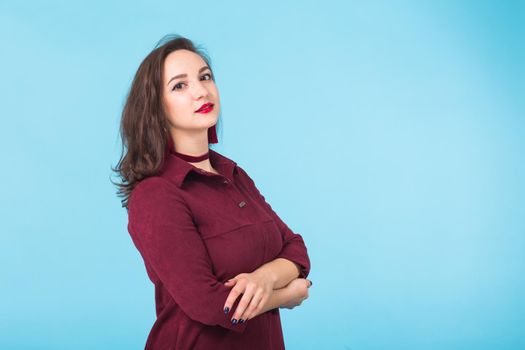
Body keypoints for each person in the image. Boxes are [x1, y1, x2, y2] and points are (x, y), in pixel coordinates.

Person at [112, 34, 312, 350]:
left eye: (205, 77)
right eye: (180, 85)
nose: (201, 90)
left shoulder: (233, 173)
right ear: (156, 109)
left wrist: (264, 279)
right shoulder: (156, 195)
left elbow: (295, 248)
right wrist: (288, 294)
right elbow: (207, 304)